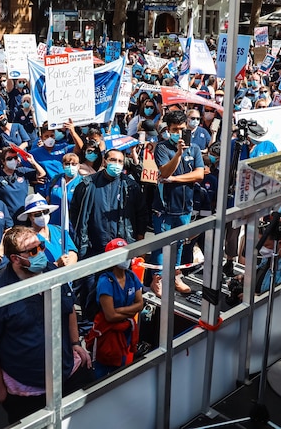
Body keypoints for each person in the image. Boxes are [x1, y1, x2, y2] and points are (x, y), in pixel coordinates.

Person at [0, 226, 92, 424]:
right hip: (26, 389)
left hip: (65, 373)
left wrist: (75, 343)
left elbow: (69, 307)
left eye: (41, 246)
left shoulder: (51, 271)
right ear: (15, 258)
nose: (40, 253)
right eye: (33, 251)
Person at [149, 110, 205, 295]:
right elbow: (164, 172)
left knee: (179, 243)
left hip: (184, 207)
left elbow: (199, 174)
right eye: (174, 130)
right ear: (168, 130)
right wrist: (178, 154)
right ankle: (158, 279)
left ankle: (175, 276)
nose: (179, 134)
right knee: (161, 244)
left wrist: (175, 180)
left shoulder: (195, 148)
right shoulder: (162, 148)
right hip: (164, 208)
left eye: (182, 129)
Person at [70, 148, 148, 258]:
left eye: (120, 161)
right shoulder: (87, 185)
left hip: (122, 247)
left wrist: (140, 244)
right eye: (113, 160)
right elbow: (75, 212)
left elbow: (141, 214)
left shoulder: (131, 186)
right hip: (93, 248)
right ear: (104, 161)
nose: (116, 164)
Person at [84, 238, 143, 380]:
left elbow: (140, 304)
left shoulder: (131, 277)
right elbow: (109, 316)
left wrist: (119, 311)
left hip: (125, 335)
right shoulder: (105, 281)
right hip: (106, 336)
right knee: (100, 375)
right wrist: (129, 311)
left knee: (119, 373)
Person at [19, 193, 77, 267]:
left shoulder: (58, 230)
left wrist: (67, 265)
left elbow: (72, 252)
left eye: (45, 212)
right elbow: (33, 267)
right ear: (30, 216)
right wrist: (55, 266)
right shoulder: (27, 240)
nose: (43, 216)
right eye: (37, 214)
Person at [0, 146, 46, 219]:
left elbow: (42, 174)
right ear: (3, 161)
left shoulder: (22, 171)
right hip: (6, 218)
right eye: (9, 158)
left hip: (24, 217)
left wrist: (33, 162)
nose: (13, 160)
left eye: (15, 158)